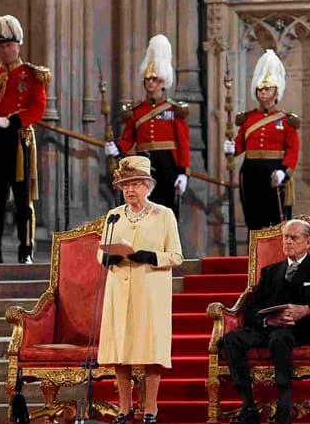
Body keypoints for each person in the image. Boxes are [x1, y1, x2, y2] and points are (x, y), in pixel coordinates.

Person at [219, 219, 310, 424]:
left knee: (280, 339)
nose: (288, 241)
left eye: (294, 237)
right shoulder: (270, 271)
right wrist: (269, 319)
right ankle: (248, 405)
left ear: (308, 242)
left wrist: (306, 309)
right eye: (285, 237)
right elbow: (251, 307)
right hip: (268, 327)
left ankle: (284, 404)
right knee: (231, 340)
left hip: (301, 329)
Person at [98, 155, 183, 424]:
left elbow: (177, 255)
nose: (130, 190)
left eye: (135, 183)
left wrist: (150, 256)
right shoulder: (113, 216)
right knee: (120, 351)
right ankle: (124, 408)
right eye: (125, 185)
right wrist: (107, 258)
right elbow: (101, 252)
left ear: (148, 186)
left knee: (149, 350)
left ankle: (150, 409)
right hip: (119, 290)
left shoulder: (163, 214)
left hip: (150, 290)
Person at [0, 15, 49, 264]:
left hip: (19, 141)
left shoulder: (32, 75)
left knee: (23, 201)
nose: (6, 50)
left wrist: (10, 121)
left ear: (18, 44)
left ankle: (25, 253)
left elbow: (38, 108)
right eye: (1, 46)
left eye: (10, 45)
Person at [105, 34, 190, 217]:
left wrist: (183, 173)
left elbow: (182, 143)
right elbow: (129, 138)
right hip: (143, 163)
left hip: (167, 165)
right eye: (148, 80)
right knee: (142, 210)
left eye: (155, 80)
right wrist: (116, 147)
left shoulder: (174, 110)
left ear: (163, 83)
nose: (151, 83)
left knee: (165, 211)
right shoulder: (137, 110)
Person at [223, 49, 300, 232]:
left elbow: (293, 149)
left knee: (277, 221)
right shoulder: (248, 118)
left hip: (274, 170)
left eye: (267, 89)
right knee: (254, 220)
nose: (263, 92)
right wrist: (231, 148)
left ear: (276, 92)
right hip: (251, 171)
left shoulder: (286, 120)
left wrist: (283, 171)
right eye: (260, 89)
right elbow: (241, 145)